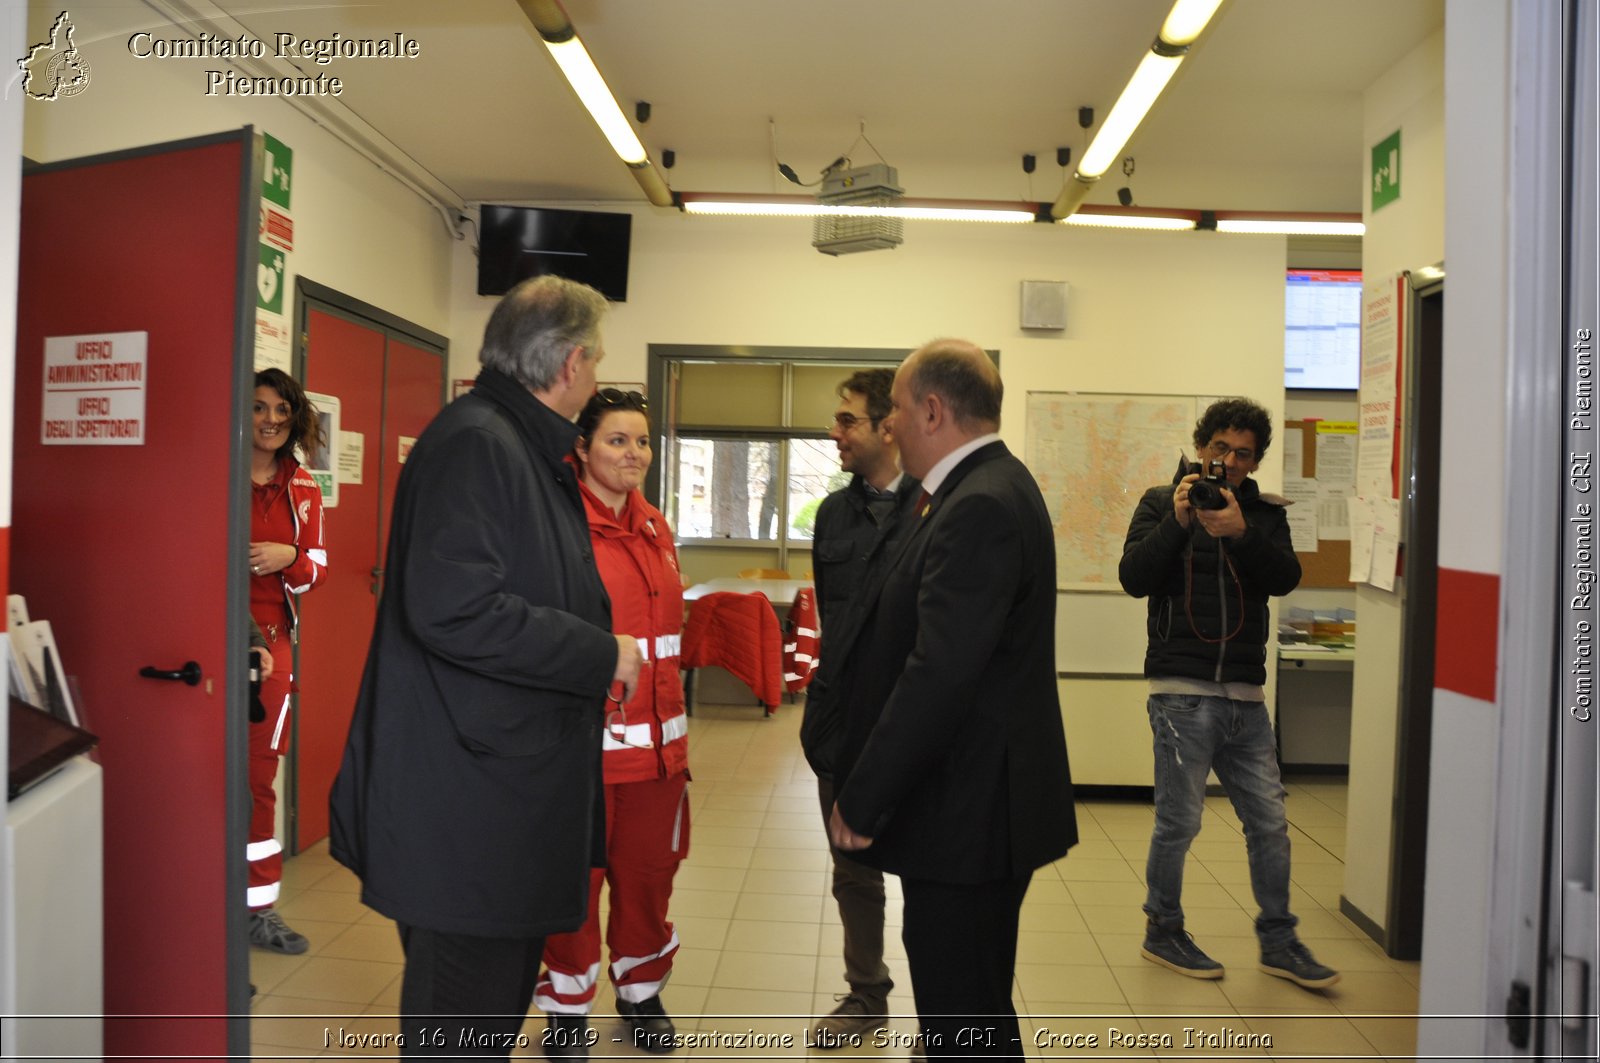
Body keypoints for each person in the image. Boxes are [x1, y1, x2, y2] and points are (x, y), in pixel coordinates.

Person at [328, 275, 644, 1058]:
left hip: (494, 803)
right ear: (571, 362)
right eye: (597, 362)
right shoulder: (480, 442)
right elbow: (455, 608)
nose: (597, 378)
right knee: (458, 1038)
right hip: (466, 818)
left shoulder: (519, 442)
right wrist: (602, 652)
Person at [826, 340, 1077, 1060]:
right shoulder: (973, 490)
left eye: (899, 410)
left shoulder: (981, 505)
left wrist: (862, 796)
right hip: (970, 810)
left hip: (969, 816)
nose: (892, 425)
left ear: (933, 409)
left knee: (962, 1016)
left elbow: (940, 672)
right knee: (974, 1009)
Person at [1118, 397, 1340, 990]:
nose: (1230, 462)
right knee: (1180, 820)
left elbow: (1285, 578)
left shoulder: (1264, 515)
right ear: (1201, 446)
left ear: (1255, 460)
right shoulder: (1161, 502)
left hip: (1246, 695)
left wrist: (1242, 533)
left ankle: (1279, 940)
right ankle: (1162, 928)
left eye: (1243, 454)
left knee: (1269, 822)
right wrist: (1180, 520)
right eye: (1220, 448)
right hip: (1180, 691)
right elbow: (1134, 578)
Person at [534, 388, 689, 1057]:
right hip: (583, 754)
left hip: (660, 755)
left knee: (649, 877)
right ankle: (567, 1006)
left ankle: (640, 992)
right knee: (575, 883)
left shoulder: (656, 526)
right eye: (617, 440)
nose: (634, 454)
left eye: (643, 441)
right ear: (582, 448)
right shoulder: (559, 528)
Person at [799, 368, 919, 1045]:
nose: (834, 431)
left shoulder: (938, 508)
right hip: (846, 721)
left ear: (888, 426)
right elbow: (838, 625)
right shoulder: (834, 515)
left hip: (915, 719)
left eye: (847, 420)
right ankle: (866, 992)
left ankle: (943, 1005)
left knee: (930, 869)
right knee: (853, 868)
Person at [246, 368, 327, 955]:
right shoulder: (212, 472)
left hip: (271, 649)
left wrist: (289, 555)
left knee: (257, 782)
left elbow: (316, 569)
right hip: (204, 640)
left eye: (281, 409)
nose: (270, 419)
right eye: (258, 408)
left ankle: (256, 909)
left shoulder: (303, 489)